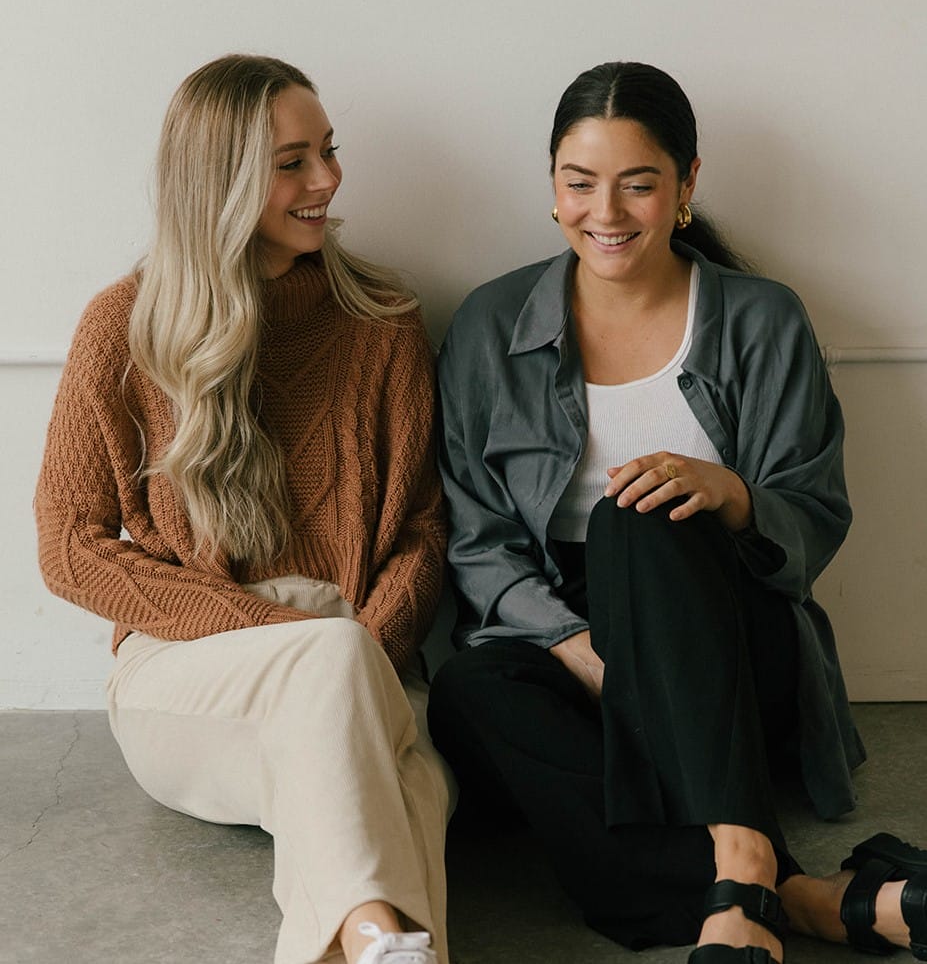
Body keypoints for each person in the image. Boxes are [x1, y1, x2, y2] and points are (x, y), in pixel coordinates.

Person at [428, 61, 927, 964]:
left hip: (721, 636)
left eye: (638, 183)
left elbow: (813, 515)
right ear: (551, 185)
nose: (605, 212)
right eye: (580, 183)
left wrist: (731, 495)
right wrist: (581, 649)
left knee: (637, 515)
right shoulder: (489, 324)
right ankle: (797, 895)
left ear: (686, 183)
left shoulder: (761, 318)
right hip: (562, 635)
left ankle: (738, 855)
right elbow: (476, 540)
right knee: (470, 687)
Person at [35, 54, 452, 964]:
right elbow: (68, 546)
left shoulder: (383, 319)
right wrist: (277, 630)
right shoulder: (125, 326)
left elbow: (422, 530)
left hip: (363, 651)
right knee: (387, 756)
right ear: (216, 182)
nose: (327, 180)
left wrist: (365, 651)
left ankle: (376, 941)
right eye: (292, 162)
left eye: (328, 151)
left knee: (408, 781)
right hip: (190, 667)